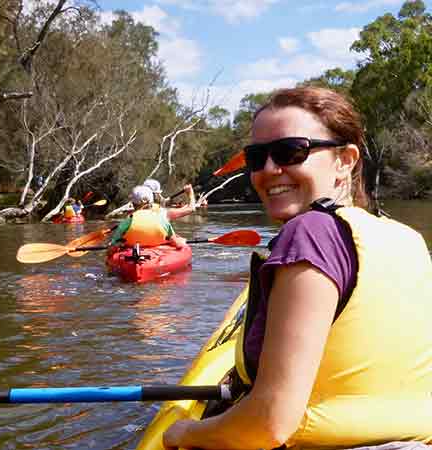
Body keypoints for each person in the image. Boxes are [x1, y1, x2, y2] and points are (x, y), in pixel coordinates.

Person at [163, 87, 432, 450]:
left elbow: (270, 424)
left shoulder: (309, 233)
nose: (270, 169)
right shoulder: (408, 238)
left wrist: (184, 432)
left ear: (345, 159)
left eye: (292, 151)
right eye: (257, 158)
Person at [110, 185, 188, 249]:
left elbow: (111, 248)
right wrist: (182, 241)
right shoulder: (161, 219)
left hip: (131, 256)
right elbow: (178, 244)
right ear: (151, 201)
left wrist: (114, 245)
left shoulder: (128, 221)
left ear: (133, 203)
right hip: (158, 254)